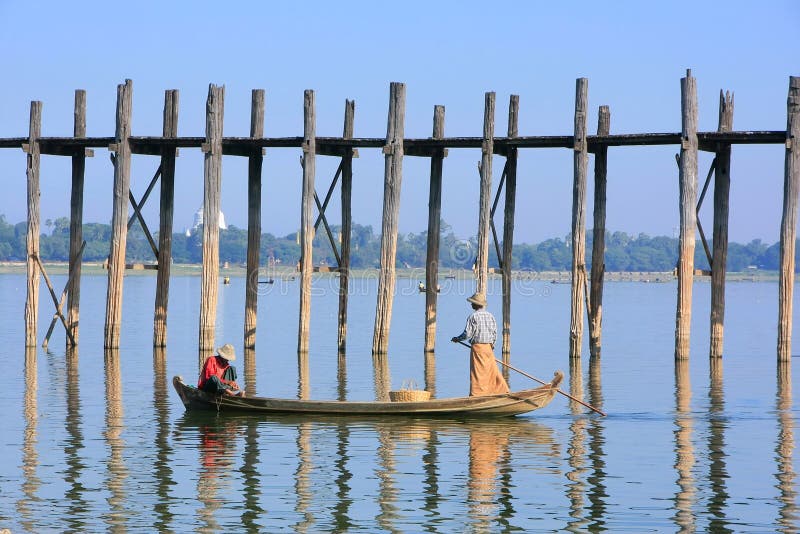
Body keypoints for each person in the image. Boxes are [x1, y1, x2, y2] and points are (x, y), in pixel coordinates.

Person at [451, 293, 510, 397]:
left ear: (475, 304)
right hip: (488, 348)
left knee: (478, 373)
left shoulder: (473, 316)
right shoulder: (490, 316)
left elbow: (467, 334)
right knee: (491, 371)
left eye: (472, 303)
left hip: (478, 348)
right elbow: (495, 333)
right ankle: (500, 391)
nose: (471, 305)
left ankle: (477, 395)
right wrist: (492, 346)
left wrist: (457, 339)